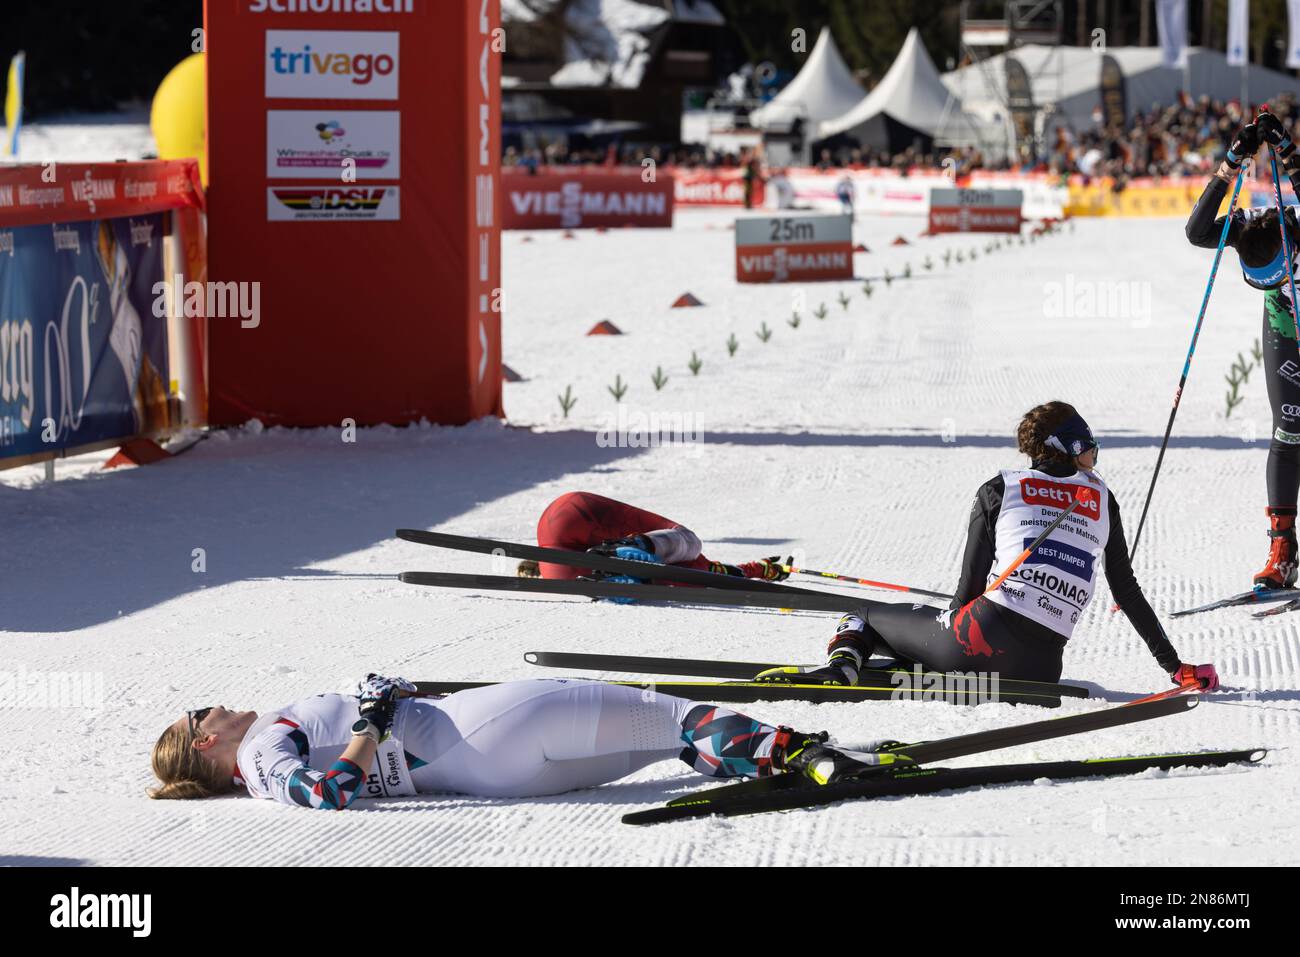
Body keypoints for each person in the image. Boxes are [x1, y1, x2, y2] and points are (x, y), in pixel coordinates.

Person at [759, 402, 1218, 690]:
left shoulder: (1002, 487)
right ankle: (912, 653)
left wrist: (945, 633)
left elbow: (969, 588)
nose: (1095, 456)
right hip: (1042, 668)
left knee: (861, 613)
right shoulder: (1102, 498)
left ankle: (844, 666)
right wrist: (1175, 667)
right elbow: (1127, 591)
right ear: (1072, 444)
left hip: (976, 643)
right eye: (1091, 445)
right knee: (923, 630)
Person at [148, 674, 897, 809]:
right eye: (194, 713)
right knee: (676, 718)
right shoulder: (260, 751)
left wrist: (377, 712)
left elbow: (325, 784)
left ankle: (778, 752)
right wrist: (376, 715)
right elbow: (329, 792)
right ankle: (807, 754)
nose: (209, 704)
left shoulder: (258, 770)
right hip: (490, 724)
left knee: (671, 739)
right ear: (204, 740)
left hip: (493, 771)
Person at [1186, 110, 1300, 588]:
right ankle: (1283, 548)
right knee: (1291, 427)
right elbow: (1197, 232)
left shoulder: (1293, 221)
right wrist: (1230, 164)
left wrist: (1289, 153)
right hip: (1286, 322)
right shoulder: (1251, 223)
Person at [517, 490, 789, 583]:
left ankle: (613, 562)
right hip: (579, 520)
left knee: (683, 546)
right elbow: (731, 574)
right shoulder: (699, 568)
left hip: (560, 520)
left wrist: (762, 569)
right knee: (689, 541)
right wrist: (762, 570)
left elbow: (733, 573)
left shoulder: (697, 567)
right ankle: (625, 551)